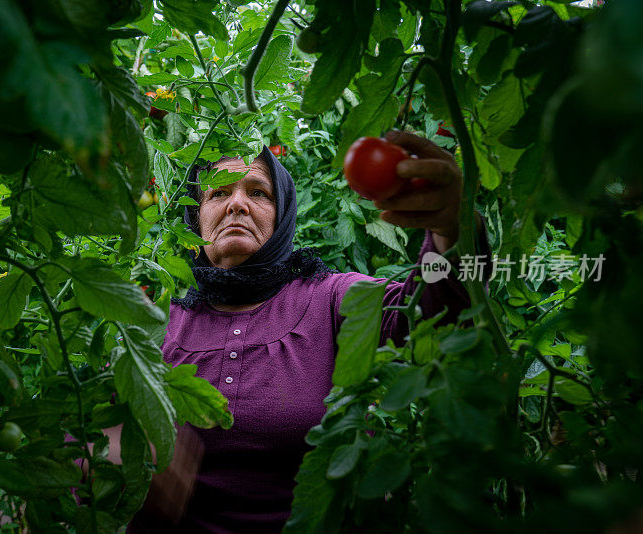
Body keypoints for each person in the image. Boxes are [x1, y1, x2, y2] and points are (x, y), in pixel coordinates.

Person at [127, 130, 491, 533]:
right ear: (194, 219)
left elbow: (434, 313)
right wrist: (116, 464)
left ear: (282, 216)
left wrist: (453, 231)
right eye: (217, 194)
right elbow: (92, 445)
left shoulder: (332, 298)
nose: (237, 205)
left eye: (259, 193)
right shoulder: (158, 330)